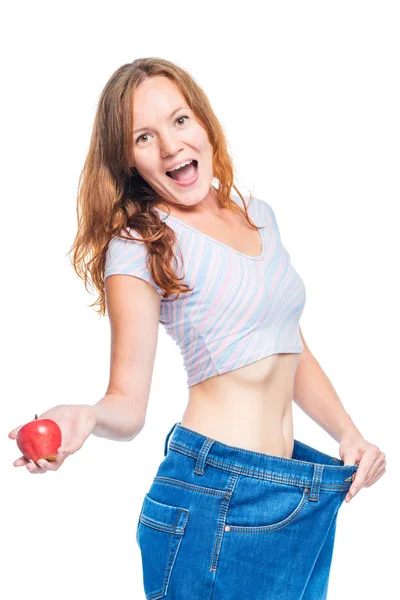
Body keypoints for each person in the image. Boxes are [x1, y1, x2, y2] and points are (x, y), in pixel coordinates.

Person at [9, 57, 386, 599]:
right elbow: (127, 402)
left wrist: (348, 432)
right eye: (144, 136)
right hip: (217, 495)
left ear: (204, 123)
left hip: (296, 490)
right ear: (129, 160)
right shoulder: (140, 243)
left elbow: (287, 343)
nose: (170, 146)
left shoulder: (258, 214)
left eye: (180, 120)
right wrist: (88, 417)